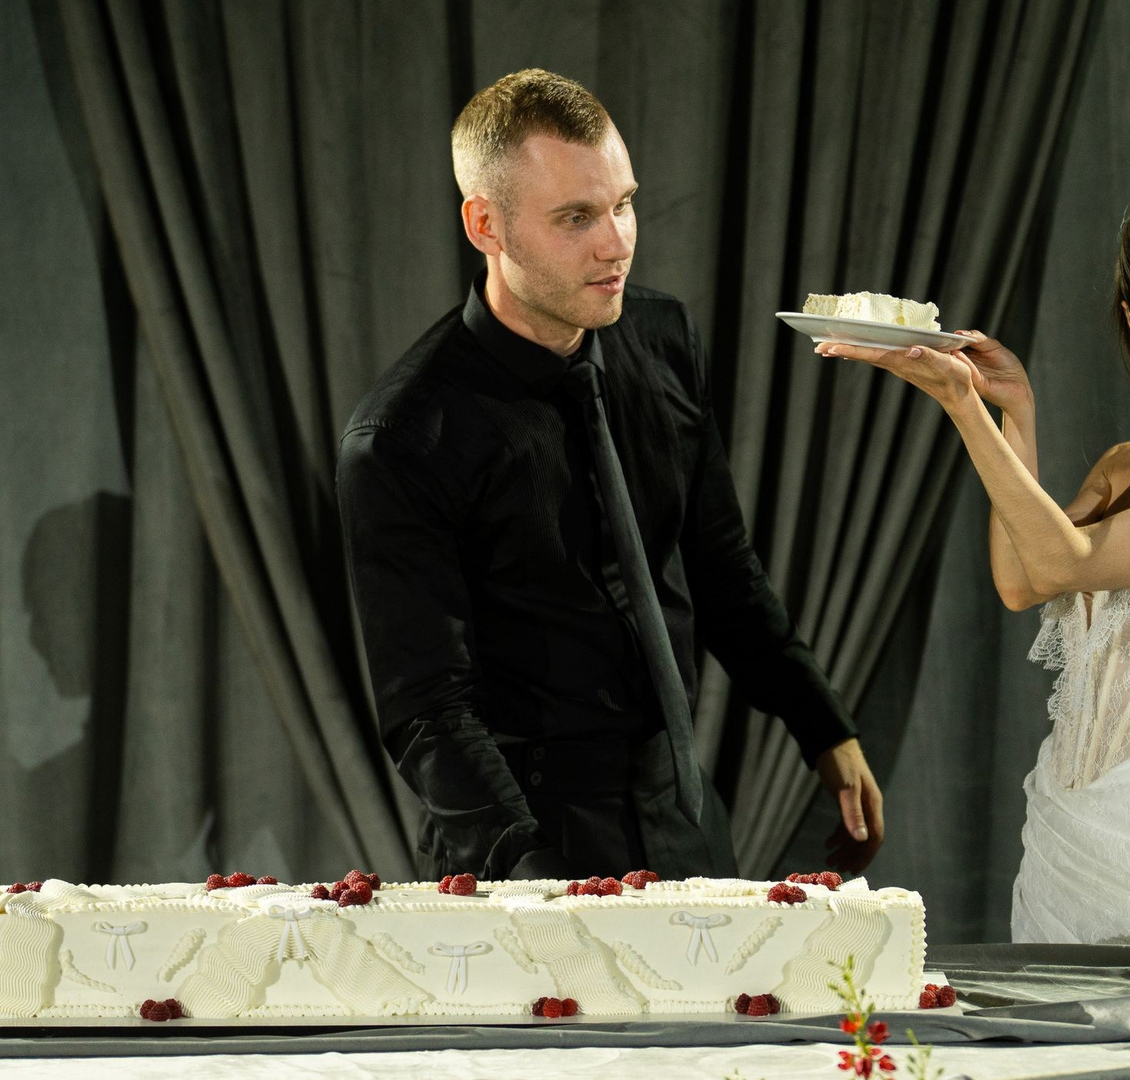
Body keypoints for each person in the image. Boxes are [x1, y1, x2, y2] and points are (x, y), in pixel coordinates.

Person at [338, 69, 883, 883]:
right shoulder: (403, 436)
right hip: (520, 837)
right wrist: (536, 878)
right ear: (486, 225)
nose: (617, 243)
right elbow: (428, 712)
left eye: (623, 204)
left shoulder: (663, 337)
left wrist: (824, 727)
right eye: (577, 217)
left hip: (681, 810)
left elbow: (721, 567)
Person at [816, 189, 1130, 950]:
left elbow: (1063, 560)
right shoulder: (1125, 466)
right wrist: (1015, 414)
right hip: (1062, 840)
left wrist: (962, 408)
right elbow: (1022, 582)